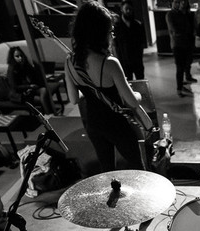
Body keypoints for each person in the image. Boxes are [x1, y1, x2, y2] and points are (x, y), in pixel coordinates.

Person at [65, 1, 153, 174]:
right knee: (138, 167)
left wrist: (90, 90)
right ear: (100, 33)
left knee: (107, 170)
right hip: (116, 125)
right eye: (110, 31)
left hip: (93, 124)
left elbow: (74, 99)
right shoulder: (109, 63)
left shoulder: (69, 61)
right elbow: (131, 102)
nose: (112, 35)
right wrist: (138, 94)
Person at [6, 47, 55, 115]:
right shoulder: (12, 70)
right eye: (17, 56)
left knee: (43, 90)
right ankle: (47, 114)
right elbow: (14, 87)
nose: (20, 58)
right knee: (40, 99)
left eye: (21, 55)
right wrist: (28, 86)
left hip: (29, 90)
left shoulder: (25, 65)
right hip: (19, 94)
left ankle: (48, 114)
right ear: (13, 58)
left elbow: (33, 77)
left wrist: (31, 86)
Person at [167, 0, 196, 97]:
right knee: (179, 67)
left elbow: (188, 28)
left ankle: (181, 84)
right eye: (175, 2)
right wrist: (183, 31)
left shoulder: (183, 14)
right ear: (172, 3)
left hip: (186, 43)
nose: (178, 4)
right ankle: (179, 89)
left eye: (178, 2)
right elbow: (174, 30)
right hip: (177, 44)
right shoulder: (170, 14)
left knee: (185, 64)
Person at [113, 0, 147, 80]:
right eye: (126, 9)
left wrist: (139, 56)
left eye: (130, 9)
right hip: (124, 61)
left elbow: (142, 43)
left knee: (141, 80)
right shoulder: (117, 27)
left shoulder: (138, 25)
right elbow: (115, 45)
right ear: (122, 9)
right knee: (128, 83)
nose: (128, 11)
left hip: (137, 61)